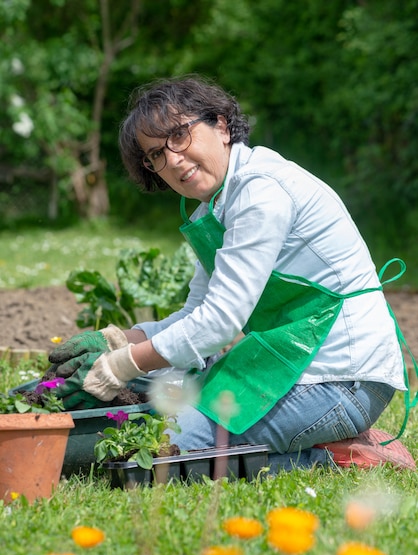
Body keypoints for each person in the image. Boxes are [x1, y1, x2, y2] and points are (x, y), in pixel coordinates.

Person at [49, 74, 415, 471]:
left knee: (159, 452)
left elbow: (220, 323)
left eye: (179, 135)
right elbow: (197, 316)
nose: (171, 159)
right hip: (284, 362)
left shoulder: (261, 191)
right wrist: (117, 339)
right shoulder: (218, 205)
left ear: (221, 125)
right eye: (155, 154)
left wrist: (122, 364)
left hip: (342, 380)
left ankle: (340, 456)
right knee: (158, 399)